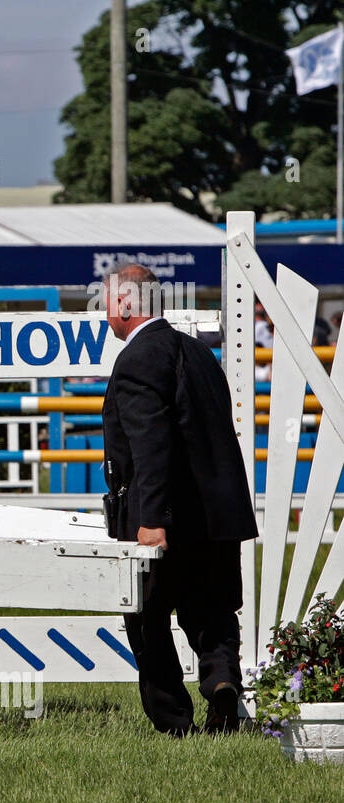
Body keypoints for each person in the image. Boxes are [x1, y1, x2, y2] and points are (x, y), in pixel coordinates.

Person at [101, 263, 257, 737]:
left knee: (146, 620)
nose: (105, 312)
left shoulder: (137, 359)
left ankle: (174, 721)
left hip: (163, 517)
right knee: (211, 610)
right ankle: (223, 681)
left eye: (107, 301)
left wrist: (150, 521)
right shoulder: (199, 352)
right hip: (215, 517)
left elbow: (151, 446)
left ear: (127, 303)